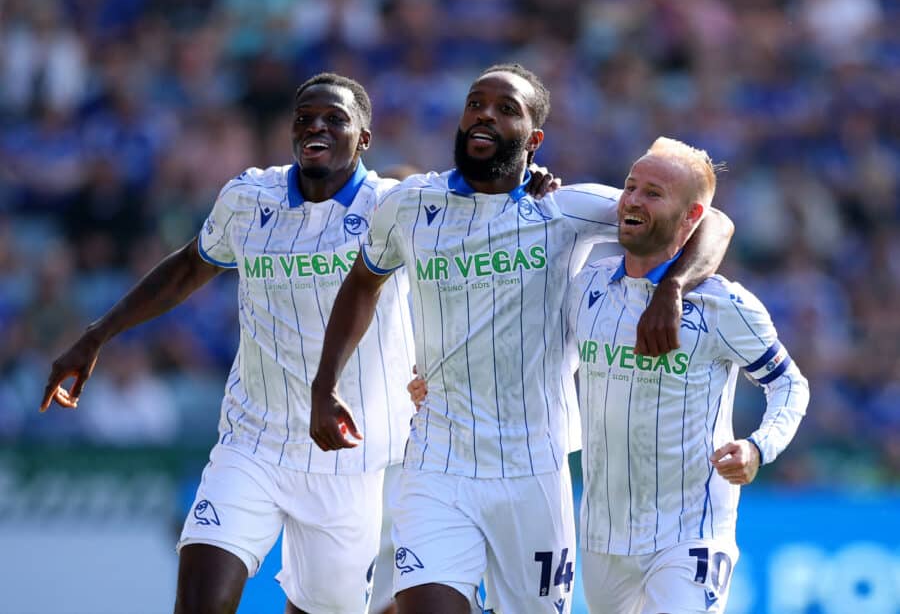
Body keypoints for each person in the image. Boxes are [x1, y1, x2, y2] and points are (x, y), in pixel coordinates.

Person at [309, 63, 734, 614]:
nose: (484, 113)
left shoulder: (562, 209)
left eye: (506, 108)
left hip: (534, 468)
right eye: (476, 102)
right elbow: (363, 282)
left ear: (533, 140)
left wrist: (672, 287)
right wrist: (325, 384)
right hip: (439, 460)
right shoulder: (410, 206)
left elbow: (711, 221)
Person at [41, 72, 419, 614]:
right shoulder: (249, 196)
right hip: (253, 443)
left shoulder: (395, 208)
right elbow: (189, 268)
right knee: (199, 600)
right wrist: (96, 335)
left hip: (348, 459)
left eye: (335, 118)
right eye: (304, 117)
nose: (316, 125)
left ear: (364, 138)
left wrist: (532, 183)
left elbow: (478, 222)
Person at [567, 137, 809, 612]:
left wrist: (760, 446)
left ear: (690, 218)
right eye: (630, 186)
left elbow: (788, 383)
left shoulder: (724, 305)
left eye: (653, 193)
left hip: (691, 532)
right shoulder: (587, 286)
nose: (633, 199)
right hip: (602, 533)